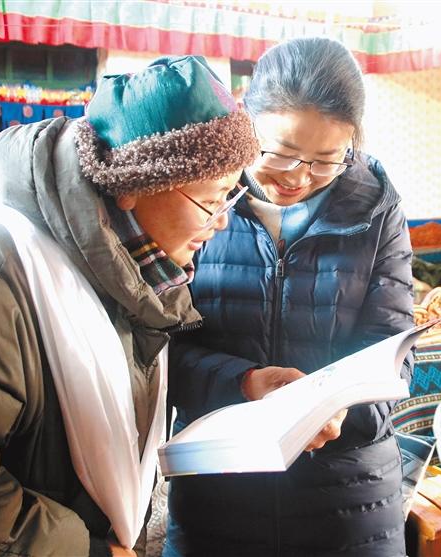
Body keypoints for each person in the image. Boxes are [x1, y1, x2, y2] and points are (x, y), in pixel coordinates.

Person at [0, 56, 259, 557]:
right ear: (134, 186)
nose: (222, 221)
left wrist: (246, 384)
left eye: (232, 196)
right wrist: (87, 551)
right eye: (213, 199)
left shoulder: (135, 277)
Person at [163, 38, 415, 557]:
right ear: (246, 124)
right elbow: (160, 350)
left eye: (325, 160)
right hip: (218, 485)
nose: (298, 177)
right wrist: (245, 383)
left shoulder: (377, 208)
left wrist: (340, 410)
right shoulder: (196, 199)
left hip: (350, 497)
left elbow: (395, 352)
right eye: (279, 153)